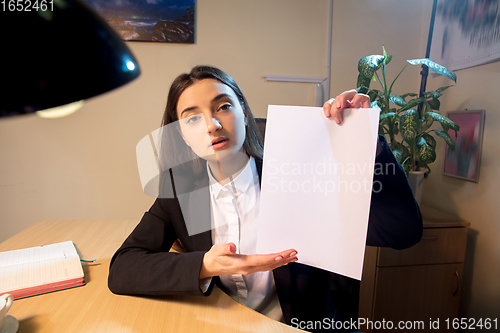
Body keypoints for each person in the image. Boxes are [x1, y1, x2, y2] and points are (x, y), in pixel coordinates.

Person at [108, 65, 422, 332]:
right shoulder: (181, 190)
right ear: (183, 137)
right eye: (192, 118)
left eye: (223, 107)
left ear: (244, 113)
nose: (212, 124)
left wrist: (367, 143)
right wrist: (204, 265)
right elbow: (124, 267)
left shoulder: (297, 175)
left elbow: (402, 231)